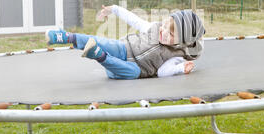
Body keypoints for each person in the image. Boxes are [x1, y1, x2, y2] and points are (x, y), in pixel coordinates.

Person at [45, 5, 205, 80]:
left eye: (170, 34)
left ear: (182, 42)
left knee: (133, 73)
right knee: (103, 42)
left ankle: (98, 55)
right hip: (124, 50)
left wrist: (180, 68)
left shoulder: (176, 55)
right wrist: (114, 9)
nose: (162, 32)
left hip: (124, 69)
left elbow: (163, 72)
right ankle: (65, 37)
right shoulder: (154, 28)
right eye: (163, 25)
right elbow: (134, 20)